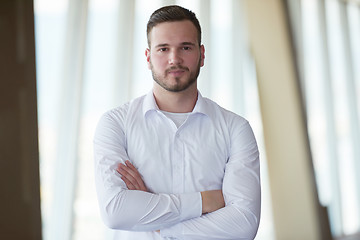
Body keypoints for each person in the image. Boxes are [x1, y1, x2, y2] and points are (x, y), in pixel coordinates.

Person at [94, 5, 261, 240]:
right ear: (148, 57)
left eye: (185, 47)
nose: (174, 59)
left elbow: (244, 225)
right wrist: (205, 201)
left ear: (201, 54)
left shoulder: (235, 129)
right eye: (163, 49)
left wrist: (157, 222)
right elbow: (115, 213)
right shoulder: (115, 124)